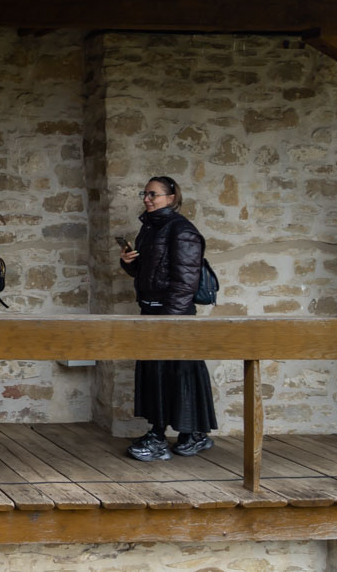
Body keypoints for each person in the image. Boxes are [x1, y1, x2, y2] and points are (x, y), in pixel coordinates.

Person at [120, 176, 217, 461]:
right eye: (145, 193)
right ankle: (184, 435)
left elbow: (185, 283)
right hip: (153, 311)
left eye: (153, 194)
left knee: (175, 373)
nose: (146, 198)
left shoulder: (182, 230)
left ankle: (169, 437)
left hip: (173, 316)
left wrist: (169, 323)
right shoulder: (150, 228)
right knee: (157, 374)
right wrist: (129, 262)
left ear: (171, 198)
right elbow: (148, 273)